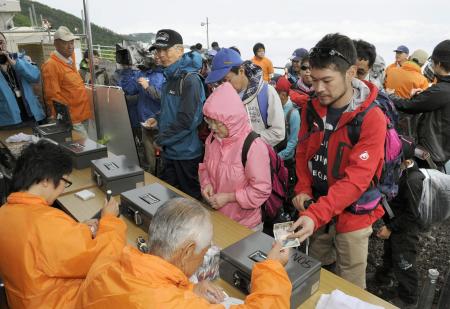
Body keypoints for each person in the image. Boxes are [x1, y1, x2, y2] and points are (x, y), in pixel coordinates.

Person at [289, 33, 387, 289]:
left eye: (327, 80)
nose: (318, 88)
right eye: (314, 79)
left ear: (351, 72)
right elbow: (302, 152)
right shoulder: (311, 108)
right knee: (312, 272)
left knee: (351, 283)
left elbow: (357, 180)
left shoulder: (372, 118)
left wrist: (315, 214)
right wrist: (302, 188)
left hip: (353, 215)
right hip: (316, 204)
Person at [76, 197, 292, 308]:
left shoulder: (106, 264)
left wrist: (188, 288)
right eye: (204, 251)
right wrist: (272, 267)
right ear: (188, 251)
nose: (202, 259)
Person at [0, 140, 126, 309]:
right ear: (46, 180)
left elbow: (42, 247)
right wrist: (110, 220)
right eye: (65, 182)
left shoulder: (5, 212)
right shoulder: (46, 223)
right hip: (60, 302)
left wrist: (78, 229)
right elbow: (102, 258)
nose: (63, 190)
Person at [199, 82, 272, 230]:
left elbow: (261, 190)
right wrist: (206, 184)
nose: (212, 128)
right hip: (216, 217)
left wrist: (228, 197)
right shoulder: (212, 139)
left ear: (232, 120)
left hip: (245, 225)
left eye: (218, 123)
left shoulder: (253, 146)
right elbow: (205, 167)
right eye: (210, 122)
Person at [144, 29, 205, 199]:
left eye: (165, 50)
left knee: (190, 202)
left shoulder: (190, 80)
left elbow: (187, 121)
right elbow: (169, 109)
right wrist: (156, 118)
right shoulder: (170, 76)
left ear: (180, 50)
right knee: (168, 198)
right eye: (158, 50)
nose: (160, 55)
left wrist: (160, 140)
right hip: (169, 151)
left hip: (186, 155)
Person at [374, 139, 422, 309]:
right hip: (394, 222)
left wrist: (390, 228)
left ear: (406, 161)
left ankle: (409, 298)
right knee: (389, 253)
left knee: (404, 261)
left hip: (405, 229)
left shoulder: (412, 181)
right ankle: (383, 279)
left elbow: (412, 215)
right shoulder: (397, 172)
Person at [389, 40, 450, 171]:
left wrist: (388, 96)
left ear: (438, 64)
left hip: (430, 156)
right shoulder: (439, 89)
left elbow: (409, 106)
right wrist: (425, 95)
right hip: (443, 153)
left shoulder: (440, 90)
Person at [206, 48, 285, 147]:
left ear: (241, 71)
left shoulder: (267, 92)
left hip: (258, 157)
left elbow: (278, 133)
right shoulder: (220, 95)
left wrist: (245, 144)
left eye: (226, 80)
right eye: (218, 82)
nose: (223, 86)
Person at [42, 26, 92, 135]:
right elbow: (52, 96)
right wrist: (65, 120)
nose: (70, 46)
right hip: (72, 120)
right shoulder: (51, 65)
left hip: (83, 114)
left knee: (87, 146)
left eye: (72, 42)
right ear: (55, 44)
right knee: (82, 148)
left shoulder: (70, 59)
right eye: (66, 43)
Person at [0, 31, 46, 127]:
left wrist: (16, 64)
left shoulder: (20, 59)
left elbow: (35, 77)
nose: (0, 47)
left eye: (1, 42)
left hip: (31, 116)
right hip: (8, 122)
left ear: (6, 42)